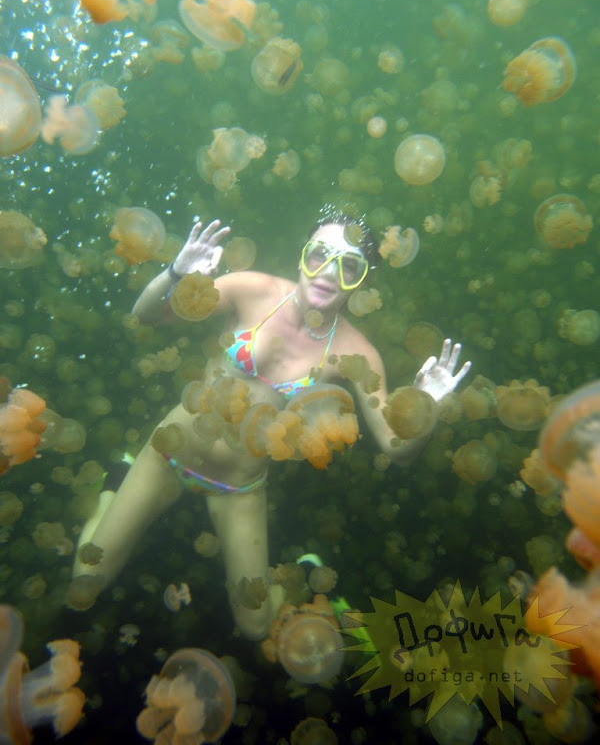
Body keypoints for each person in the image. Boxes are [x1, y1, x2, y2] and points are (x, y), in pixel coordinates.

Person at [72, 210, 471, 639]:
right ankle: (113, 489)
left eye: (348, 264)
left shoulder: (357, 352)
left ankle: (304, 572)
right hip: (170, 450)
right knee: (86, 580)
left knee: (257, 625)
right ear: (304, 254)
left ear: (361, 279)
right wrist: (175, 275)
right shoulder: (252, 290)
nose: (328, 272)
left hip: (239, 487)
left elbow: (396, 447)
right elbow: (147, 314)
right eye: (320, 254)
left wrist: (425, 407)